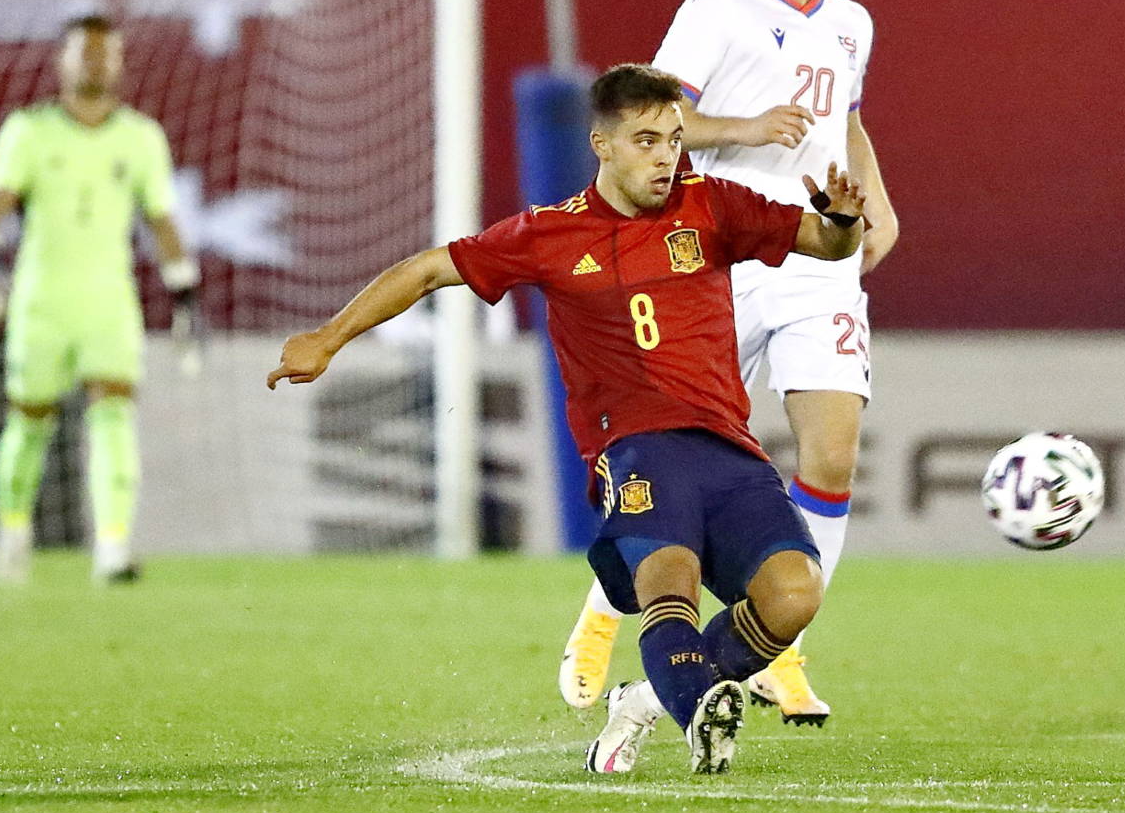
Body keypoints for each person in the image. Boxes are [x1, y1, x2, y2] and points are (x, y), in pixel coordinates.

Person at [267, 64, 867, 774]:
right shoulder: (549, 234)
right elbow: (429, 269)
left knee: (796, 594)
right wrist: (328, 338)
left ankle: (646, 700)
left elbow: (827, 245)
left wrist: (841, 218)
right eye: (645, 139)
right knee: (667, 582)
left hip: (728, 451)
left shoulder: (713, 206)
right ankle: (701, 712)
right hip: (636, 450)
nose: (665, 156)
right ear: (602, 144)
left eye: (674, 139)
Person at [560, 0, 898, 727]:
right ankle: (601, 619)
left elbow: (844, 124)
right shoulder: (717, 6)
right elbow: (655, 120)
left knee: (830, 456)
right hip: (717, 256)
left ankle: (774, 654)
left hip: (816, 260)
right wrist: (748, 127)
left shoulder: (851, 21)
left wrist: (882, 203)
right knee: (684, 467)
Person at [0, 14, 199, 585]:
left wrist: (185, 295)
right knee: (29, 421)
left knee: (114, 415)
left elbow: (161, 219)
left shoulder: (141, 137)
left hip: (108, 301)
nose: (96, 62)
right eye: (85, 52)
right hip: (41, 302)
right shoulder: (27, 131)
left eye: (106, 53)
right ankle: (13, 529)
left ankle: (113, 548)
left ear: (120, 63)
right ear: (63, 60)